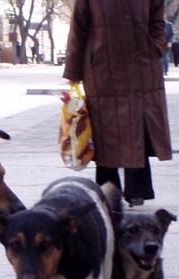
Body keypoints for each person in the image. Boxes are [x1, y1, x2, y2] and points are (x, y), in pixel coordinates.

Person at [64, 0, 172, 206]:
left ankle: (137, 190)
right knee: (107, 132)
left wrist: (157, 45)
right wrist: (73, 71)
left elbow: (157, 20)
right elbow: (78, 27)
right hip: (103, 68)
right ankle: (107, 190)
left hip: (142, 65)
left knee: (137, 126)